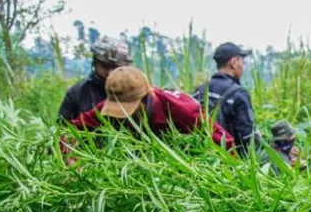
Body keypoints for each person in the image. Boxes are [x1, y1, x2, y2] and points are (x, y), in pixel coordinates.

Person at [62, 66, 235, 160]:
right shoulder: (106, 108)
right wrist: (71, 162)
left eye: (130, 109)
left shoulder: (180, 109)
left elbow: (224, 142)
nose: (125, 116)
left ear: (148, 96)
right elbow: (70, 133)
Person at [193, 42, 260, 153]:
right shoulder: (238, 94)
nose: (242, 67)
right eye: (242, 62)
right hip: (229, 160)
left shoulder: (200, 90)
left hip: (202, 155)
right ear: (233, 62)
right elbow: (248, 139)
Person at [58, 37, 132, 122]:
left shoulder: (135, 93)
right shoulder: (78, 92)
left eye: (116, 68)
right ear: (95, 64)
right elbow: (62, 126)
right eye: (104, 66)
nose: (110, 73)